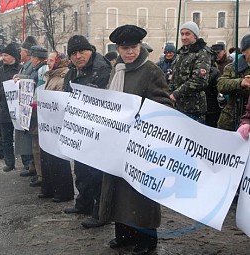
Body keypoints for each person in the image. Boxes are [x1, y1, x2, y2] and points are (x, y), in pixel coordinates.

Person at [100, 24, 173, 255]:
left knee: (141, 193)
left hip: (142, 142)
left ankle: (146, 240)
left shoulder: (151, 71)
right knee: (119, 188)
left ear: (140, 46)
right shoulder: (117, 70)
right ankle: (124, 235)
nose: (129, 52)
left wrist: (139, 116)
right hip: (118, 140)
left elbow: (164, 103)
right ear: (118, 49)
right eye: (124, 47)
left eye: (133, 47)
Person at [62, 35, 112, 229]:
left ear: (90, 51)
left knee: (96, 172)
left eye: (82, 51)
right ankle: (83, 203)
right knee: (81, 169)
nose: (78, 56)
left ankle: (100, 212)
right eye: (74, 53)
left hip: (98, 131)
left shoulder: (102, 70)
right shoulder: (72, 72)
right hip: (79, 129)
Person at [38, 51, 74, 202]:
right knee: (46, 156)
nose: (49, 63)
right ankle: (49, 188)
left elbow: (60, 100)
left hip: (57, 124)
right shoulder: (51, 75)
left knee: (58, 158)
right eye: (48, 60)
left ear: (59, 61)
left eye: (52, 60)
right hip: (48, 124)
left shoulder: (63, 76)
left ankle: (63, 191)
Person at [169, 21, 212, 124]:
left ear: (195, 36)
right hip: (177, 107)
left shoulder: (202, 53)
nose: (184, 37)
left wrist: (175, 94)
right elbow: (174, 77)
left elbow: (199, 80)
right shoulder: (180, 53)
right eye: (182, 34)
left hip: (193, 109)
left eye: (187, 34)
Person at [0, 44, 22, 172]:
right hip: (4, 110)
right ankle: (9, 163)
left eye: (6, 55)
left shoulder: (21, 70)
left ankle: (27, 163)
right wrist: (2, 93)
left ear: (13, 56)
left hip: (19, 111)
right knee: (6, 139)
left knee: (22, 138)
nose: (3, 58)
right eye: (2, 55)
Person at [25, 45, 49, 187]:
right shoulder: (37, 69)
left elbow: (39, 87)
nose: (31, 60)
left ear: (37, 58)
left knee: (37, 145)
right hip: (35, 110)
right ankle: (38, 172)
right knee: (35, 145)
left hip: (38, 111)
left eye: (32, 57)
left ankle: (41, 175)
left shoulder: (42, 70)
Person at [14, 36, 38, 177]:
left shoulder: (32, 66)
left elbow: (31, 80)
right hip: (23, 105)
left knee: (30, 140)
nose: (20, 53)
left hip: (29, 106)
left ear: (28, 53)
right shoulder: (25, 65)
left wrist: (20, 78)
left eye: (22, 51)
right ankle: (29, 164)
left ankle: (31, 165)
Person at [217, 33, 250, 131]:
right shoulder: (232, 67)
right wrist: (241, 83)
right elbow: (221, 85)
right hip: (230, 119)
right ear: (244, 51)